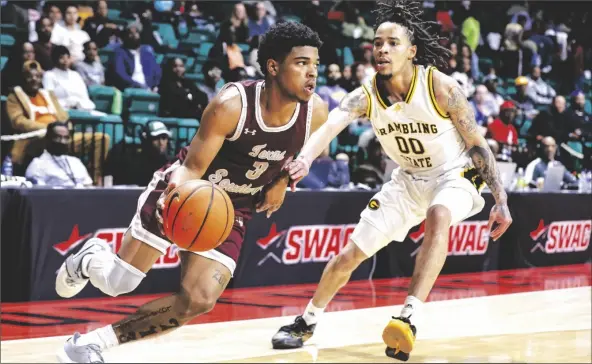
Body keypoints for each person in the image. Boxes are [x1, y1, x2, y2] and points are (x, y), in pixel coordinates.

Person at [54, 21, 327, 363]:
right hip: (187, 193)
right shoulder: (232, 105)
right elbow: (192, 168)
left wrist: (284, 181)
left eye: (315, 64)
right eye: (302, 63)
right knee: (118, 283)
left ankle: (90, 344)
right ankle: (91, 257)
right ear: (273, 66)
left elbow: (303, 155)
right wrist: (175, 197)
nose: (312, 73)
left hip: (233, 209)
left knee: (199, 299)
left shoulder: (315, 112)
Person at [271, 1, 513, 361]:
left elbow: (477, 145)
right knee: (348, 256)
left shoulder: (440, 87)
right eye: (377, 42)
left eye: (392, 43)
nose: (382, 49)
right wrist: (304, 159)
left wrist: (500, 198)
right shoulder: (367, 94)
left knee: (439, 214)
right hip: (407, 180)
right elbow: (333, 123)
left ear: (411, 51)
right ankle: (306, 321)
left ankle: (408, 317)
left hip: (454, 174)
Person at [25, 121, 93, 187]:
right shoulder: (37, 165)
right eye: (57, 137)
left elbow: (89, 188)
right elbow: (38, 195)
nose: (62, 141)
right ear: (48, 139)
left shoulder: (76, 162)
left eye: (66, 138)